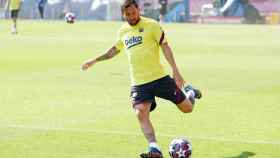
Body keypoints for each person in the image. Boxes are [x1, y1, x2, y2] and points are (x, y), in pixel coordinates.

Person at [81, 0, 202, 157]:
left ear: (138, 9)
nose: (131, 16)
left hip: (160, 79)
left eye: (133, 13)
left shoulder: (152, 25)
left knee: (187, 109)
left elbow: (165, 46)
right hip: (139, 83)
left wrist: (176, 71)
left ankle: (190, 93)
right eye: (128, 15)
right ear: (123, 15)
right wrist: (94, 60)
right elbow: (114, 50)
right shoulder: (123, 31)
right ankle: (154, 147)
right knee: (140, 113)